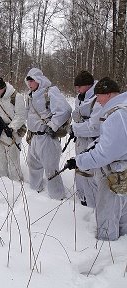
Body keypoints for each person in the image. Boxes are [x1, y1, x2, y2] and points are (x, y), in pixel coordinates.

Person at [65, 77, 127, 241]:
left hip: (115, 174)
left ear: (107, 94)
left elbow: (105, 154)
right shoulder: (123, 109)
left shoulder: (116, 115)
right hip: (122, 172)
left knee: (107, 214)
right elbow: (113, 141)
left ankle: (106, 251)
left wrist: (79, 161)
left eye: (98, 96)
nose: (97, 100)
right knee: (122, 214)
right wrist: (94, 146)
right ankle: (120, 246)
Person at [25, 68, 72, 200]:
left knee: (51, 168)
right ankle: (35, 191)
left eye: (32, 80)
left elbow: (65, 110)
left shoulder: (50, 92)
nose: (29, 83)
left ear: (38, 79)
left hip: (47, 137)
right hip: (34, 136)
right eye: (28, 81)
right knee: (33, 164)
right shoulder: (30, 95)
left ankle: (57, 197)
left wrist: (53, 126)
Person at [71, 70, 102, 207]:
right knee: (80, 169)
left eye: (80, 86)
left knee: (91, 174)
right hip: (80, 139)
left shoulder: (98, 99)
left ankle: (94, 204)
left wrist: (75, 128)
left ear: (88, 85)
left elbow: (94, 126)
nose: (77, 89)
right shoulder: (80, 97)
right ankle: (83, 197)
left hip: (92, 141)